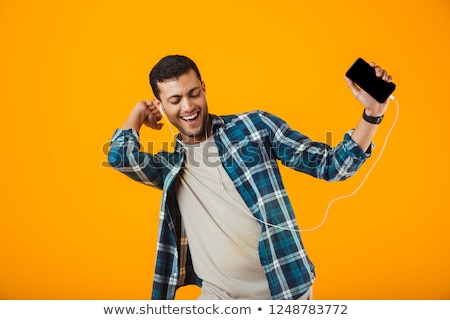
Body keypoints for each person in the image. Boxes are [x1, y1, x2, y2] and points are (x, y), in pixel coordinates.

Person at [108, 55, 393, 300]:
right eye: (174, 99)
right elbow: (119, 156)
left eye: (193, 93)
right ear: (161, 105)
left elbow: (332, 166)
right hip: (219, 297)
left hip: (286, 290)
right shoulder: (170, 167)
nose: (188, 107)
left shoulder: (255, 127)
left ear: (204, 89)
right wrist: (137, 114)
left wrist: (372, 113)